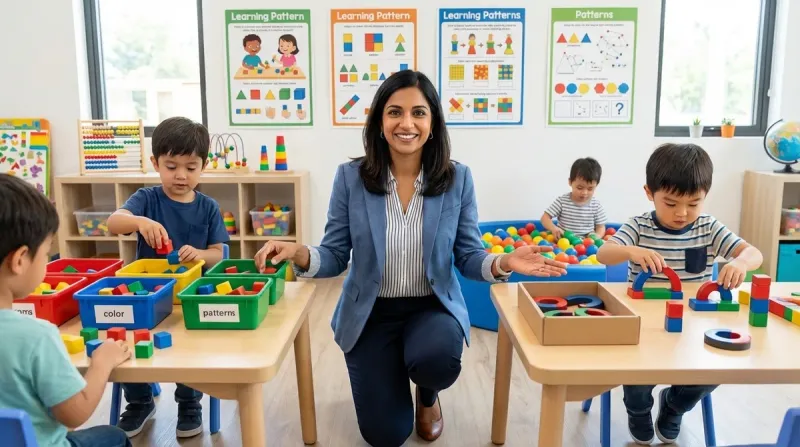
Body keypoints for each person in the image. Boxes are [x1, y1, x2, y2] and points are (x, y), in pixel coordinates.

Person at [254, 70, 568, 447]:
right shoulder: (350, 178)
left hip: (431, 308)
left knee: (436, 359)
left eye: (418, 113)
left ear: (432, 122)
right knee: (385, 435)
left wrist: (503, 263)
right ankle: (392, 382)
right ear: (380, 122)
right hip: (370, 313)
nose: (406, 123)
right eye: (395, 112)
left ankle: (427, 394)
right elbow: (336, 254)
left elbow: (468, 256)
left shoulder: (458, 179)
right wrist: (300, 253)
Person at [597, 143, 763, 445]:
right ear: (650, 193)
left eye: (694, 203)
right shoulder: (638, 226)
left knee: (717, 367)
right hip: (644, 328)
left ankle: (674, 405)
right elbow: (603, 254)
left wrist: (739, 262)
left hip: (693, 325)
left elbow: (754, 254)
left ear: (705, 196)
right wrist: (631, 250)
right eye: (671, 203)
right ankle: (639, 410)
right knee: (635, 376)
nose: (683, 213)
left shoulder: (708, 227)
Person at [107, 116, 230, 439]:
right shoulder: (146, 199)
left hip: (188, 298)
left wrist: (201, 255)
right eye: (171, 166)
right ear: (155, 163)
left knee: (189, 350)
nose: (180, 175)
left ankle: (190, 404)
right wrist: (139, 222)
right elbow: (114, 222)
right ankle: (140, 401)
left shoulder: (208, 207)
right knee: (128, 340)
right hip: (146, 296)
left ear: (204, 165)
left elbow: (220, 253)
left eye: (191, 167)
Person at [0, 175, 132, 447]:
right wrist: (102, 363)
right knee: (114, 436)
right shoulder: (35, 336)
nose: (47, 261)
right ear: (20, 260)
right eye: (48, 253)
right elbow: (75, 414)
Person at [541, 157, 607, 239]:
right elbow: (545, 218)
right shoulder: (562, 201)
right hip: (563, 241)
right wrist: (554, 228)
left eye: (590, 189)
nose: (584, 193)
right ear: (570, 182)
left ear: (596, 186)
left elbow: (600, 227)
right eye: (579, 188)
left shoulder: (596, 205)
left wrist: (597, 236)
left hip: (587, 245)